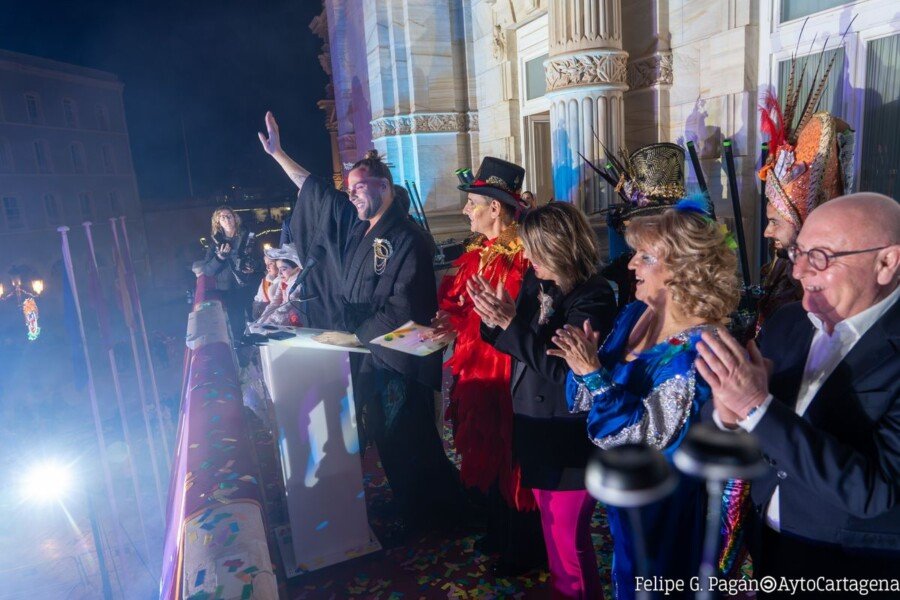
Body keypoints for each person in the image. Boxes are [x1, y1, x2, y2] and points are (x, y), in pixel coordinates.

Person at [258, 111, 466, 532]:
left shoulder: (407, 238)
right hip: (372, 351)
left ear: (385, 187)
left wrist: (353, 336)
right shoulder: (357, 230)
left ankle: (434, 517)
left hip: (402, 354)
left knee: (411, 438)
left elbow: (402, 308)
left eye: (358, 187)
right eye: (348, 188)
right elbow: (315, 191)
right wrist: (279, 154)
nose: (350, 196)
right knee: (389, 440)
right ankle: (412, 506)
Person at [697, 193, 900, 590]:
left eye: (820, 256)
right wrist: (727, 415)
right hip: (769, 547)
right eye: (798, 252)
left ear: (887, 262)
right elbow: (742, 427)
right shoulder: (788, 322)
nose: (798, 271)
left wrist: (756, 407)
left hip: (854, 565)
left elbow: (874, 491)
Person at [551, 199, 740, 600]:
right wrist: (585, 366)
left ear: (681, 269)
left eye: (644, 256)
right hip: (627, 499)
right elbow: (583, 400)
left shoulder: (698, 350)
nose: (631, 264)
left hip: (666, 507)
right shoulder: (635, 313)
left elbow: (642, 439)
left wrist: (594, 376)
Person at [472, 201, 616, 597]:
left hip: (566, 436)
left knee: (569, 548)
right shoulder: (538, 283)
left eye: (535, 248)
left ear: (560, 246)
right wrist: (492, 321)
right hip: (533, 428)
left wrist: (508, 323)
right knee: (554, 542)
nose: (528, 256)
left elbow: (565, 372)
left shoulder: (594, 296)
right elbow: (518, 343)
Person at [426, 157, 540, 569]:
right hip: (477, 366)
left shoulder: (527, 256)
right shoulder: (478, 252)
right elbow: (465, 308)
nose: (464, 210)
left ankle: (522, 546)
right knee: (486, 448)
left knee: (512, 453)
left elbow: (522, 316)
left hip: (509, 369)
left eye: (472, 202)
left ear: (496, 208)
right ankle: (497, 531)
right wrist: (450, 320)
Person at [755, 103, 854, 334]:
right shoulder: (781, 267)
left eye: (775, 222)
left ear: (802, 224)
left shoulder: (822, 285)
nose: (766, 233)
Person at [199, 206, 259, 338]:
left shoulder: (248, 237)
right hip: (229, 290)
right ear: (217, 222)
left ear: (235, 218)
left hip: (250, 285)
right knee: (237, 327)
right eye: (222, 217)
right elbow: (207, 271)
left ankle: (260, 352)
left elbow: (260, 259)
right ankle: (242, 352)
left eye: (228, 216)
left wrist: (253, 267)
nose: (226, 219)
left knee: (257, 321)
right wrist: (220, 257)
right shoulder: (215, 244)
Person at [253, 244, 302, 327]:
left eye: (283, 269)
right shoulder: (283, 281)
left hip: (297, 322)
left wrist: (269, 323)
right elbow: (274, 303)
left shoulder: (298, 285)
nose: (279, 273)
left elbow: (286, 307)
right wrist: (260, 322)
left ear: (297, 269)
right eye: (279, 269)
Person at [252, 253, 280, 319]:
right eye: (266, 264)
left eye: (270, 263)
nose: (267, 267)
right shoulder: (265, 281)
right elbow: (258, 300)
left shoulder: (288, 280)